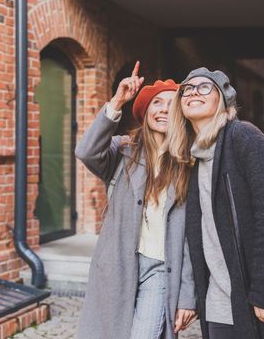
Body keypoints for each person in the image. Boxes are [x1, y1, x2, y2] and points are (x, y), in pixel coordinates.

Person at [167, 67, 264, 339]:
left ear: (223, 99)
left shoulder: (243, 137)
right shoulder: (192, 159)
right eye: (186, 89)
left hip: (258, 298)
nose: (192, 93)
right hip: (219, 301)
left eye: (203, 87)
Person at [75, 62, 197, 339]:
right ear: (145, 113)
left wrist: (188, 295)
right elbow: (86, 152)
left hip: (160, 270)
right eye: (157, 103)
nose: (164, 109)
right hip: (118, 266)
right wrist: (117, 102)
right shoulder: (122, 151)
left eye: (171, 104)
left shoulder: (189, 164)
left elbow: (193, 235)